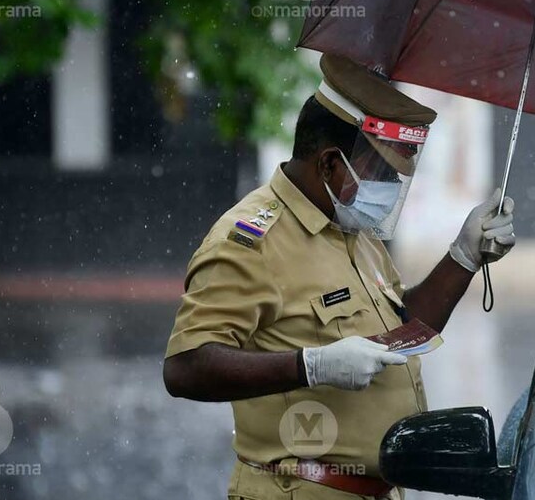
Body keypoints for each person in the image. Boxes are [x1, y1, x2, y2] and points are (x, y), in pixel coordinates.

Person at [162, 54, 516, 500]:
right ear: (330, 164)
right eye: (382, 173)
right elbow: (185, 367)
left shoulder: (351, 229)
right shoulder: (251, 241)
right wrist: (312, 365)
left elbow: (401, 334)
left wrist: (463, 256)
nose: (388, 188)